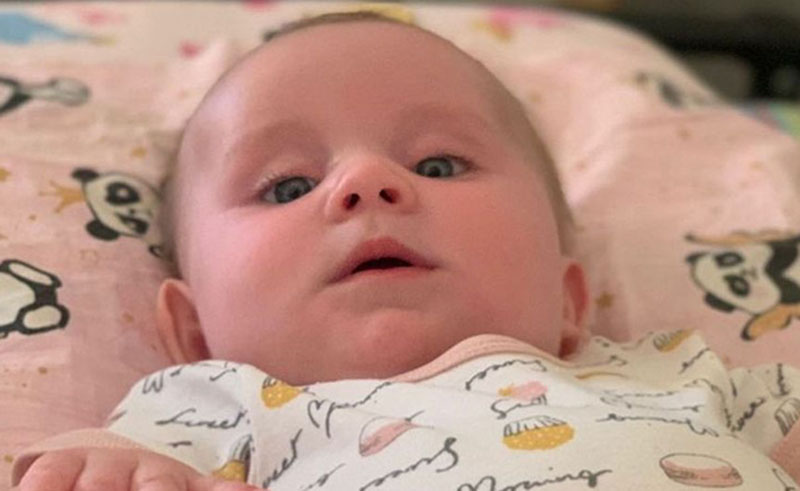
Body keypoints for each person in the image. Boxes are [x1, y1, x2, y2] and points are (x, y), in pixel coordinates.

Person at [13, 11, 800, 491]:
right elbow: (95, 465)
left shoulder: (677, 372)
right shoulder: (216, 406)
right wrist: (104, 464)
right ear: (193, 330)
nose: (365, 181)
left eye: (440, 164)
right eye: (288, 185)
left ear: (569, 299)